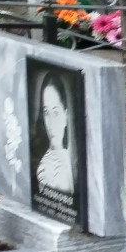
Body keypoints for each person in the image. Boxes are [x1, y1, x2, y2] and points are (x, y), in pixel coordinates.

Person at [34, 74, 76, 208]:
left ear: (65, 115)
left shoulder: (71, 159)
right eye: (46, 112)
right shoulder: (44, 166)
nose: (51, 123)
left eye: (56, 112)